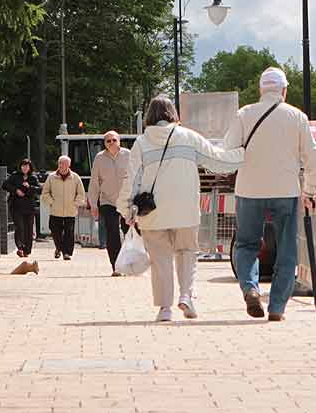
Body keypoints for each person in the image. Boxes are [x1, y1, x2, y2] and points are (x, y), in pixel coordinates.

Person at [117, 95, 244, 322]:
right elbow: (218, 160)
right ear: (173, 114)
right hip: (186, 210)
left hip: (153, 213)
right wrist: (244, 154)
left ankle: (164, 309)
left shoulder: (142, 142)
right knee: (187, 254)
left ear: (149, 116)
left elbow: (132, 179)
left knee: (161, 260)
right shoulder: (188, 137)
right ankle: (186, 296)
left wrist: (126, 209)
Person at [224, 67, 316, 322]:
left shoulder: (244, 114)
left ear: (260, 90)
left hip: (249, 190)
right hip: (286, 191)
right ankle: (277, 307)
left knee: (246, 244)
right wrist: (309, 191)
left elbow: (227, 151)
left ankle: (250, 287)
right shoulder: (297, 117)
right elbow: (315, 160)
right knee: (287, 248)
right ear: (284, 90)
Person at [88, 131, 131, 276]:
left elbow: (138, 176)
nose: (111, 143)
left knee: (130, 232)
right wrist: (93, 204)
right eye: (108, 141)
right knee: (112, 233)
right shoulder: (99, 158)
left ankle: (131, 263)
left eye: (114, 140)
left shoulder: (129, 155)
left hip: (127, 201)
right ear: (104, 144)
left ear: (119, 141)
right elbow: (94, 182)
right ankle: (116, 266)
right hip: (108, 201)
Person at [41, 155, 86, 261]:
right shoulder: (51, 177)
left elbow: (81, 193)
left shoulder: (75, 177)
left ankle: (66, 253)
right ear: (58, 164)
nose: (63, 166)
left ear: (69, 165)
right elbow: (45, 193)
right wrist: (52, 202)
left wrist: (76, 203)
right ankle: (59, 248)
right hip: (55, 211)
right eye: (61, 163)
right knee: (55, 232)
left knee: (69, 233)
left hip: (70, 211)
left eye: (65, 164)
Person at [2, 158, 41, 258]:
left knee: (28, 229)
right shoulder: (15, 176)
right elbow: (5, 185)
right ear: (20, 167)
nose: (25, 168)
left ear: (30, 167)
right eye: (23, 166)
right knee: (20, 227)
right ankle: (20, 248)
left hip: (29, 207)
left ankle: (27, 250)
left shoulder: (33, 177)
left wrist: (29, 187)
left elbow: (39, 190)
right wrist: (16, 190)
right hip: (16, 206)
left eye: (27, 166)